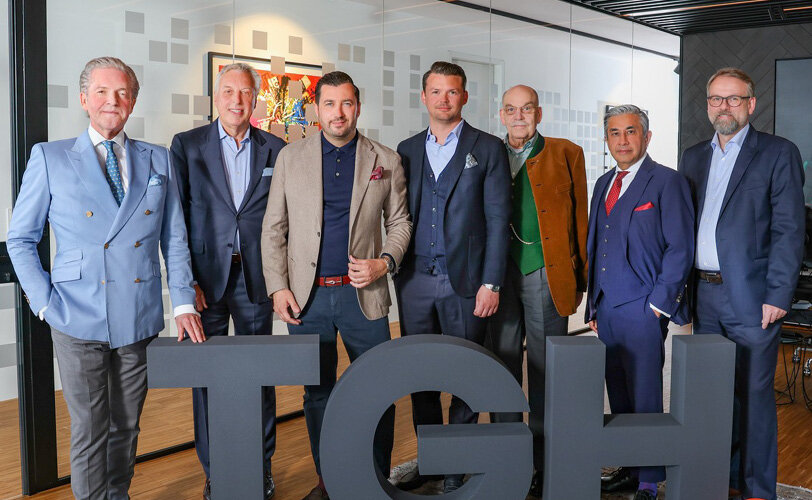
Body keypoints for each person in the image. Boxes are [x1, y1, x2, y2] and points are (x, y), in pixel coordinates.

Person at [6, 56, 203, 500]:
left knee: (126, 425)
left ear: (132, 101)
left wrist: (183, 302)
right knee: (90, 427)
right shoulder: (50, 157)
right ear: (83, 99)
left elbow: (174, 238)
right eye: (101, 92)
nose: (112, 101)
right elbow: (20, 239)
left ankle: (117, 495)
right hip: (76, 314)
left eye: (122, 93)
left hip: (138, 312)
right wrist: (44, 302)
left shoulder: (158, 158)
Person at [261, 71, 411, 500]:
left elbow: (400, 222)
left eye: (346, 103)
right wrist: (278, 287)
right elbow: (273, 228)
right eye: (329, 104)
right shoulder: (290, 157)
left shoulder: (385, 159)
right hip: (305, 299)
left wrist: (384, 263)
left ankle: (375, 480)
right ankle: (328, 481)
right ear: (317, 109)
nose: (338, 112)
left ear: (357, 107)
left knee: (378, 390)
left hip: (364, 296)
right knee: (317, 394)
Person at [679, 67, 804, 500]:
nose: (724, 107)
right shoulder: (693, 157)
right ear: (708, 105)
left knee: (753, 397)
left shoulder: (778, 152)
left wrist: (778, 294)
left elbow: (789, 229)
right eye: (716, 99)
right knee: (713, 397)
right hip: (703, 295)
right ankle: (724, 481)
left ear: (751, 104)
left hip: (753, 298)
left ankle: (756, 490)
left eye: (733, 99)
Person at [393, 61, 511, 494]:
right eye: (436, 91)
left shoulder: (488, 148)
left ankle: (457, 465)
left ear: (464, 97)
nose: (444, 99)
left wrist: (491, 283)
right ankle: (432, 460)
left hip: (467, 282)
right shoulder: (406, 149)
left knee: (465, 375)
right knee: (420, 377)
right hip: (414, 281)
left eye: (453, 91)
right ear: (424, 97)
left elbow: (498, 221)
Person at [171, 62, 286, 500]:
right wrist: (186, 284)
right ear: (216, 97)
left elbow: (284, 219)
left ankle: (262, 466)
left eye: (245, 93)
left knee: (260, 375)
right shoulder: (187, 145)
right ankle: (215, 470)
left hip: (256, 280)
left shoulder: (276, 148)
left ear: (255, 99)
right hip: (205, 282)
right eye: (229, 92)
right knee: (207, 378)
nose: (237, 100)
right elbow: (176, 221)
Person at [586, 104, 694, 500]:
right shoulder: (603, 183)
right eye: (614, 133)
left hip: (644, 306)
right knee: (618, 393)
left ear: (646, 137)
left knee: (646, 396)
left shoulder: (667, 181)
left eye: (631, 131)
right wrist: (593, 306)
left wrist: (658, 306)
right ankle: (630, 468)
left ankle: (649, 480)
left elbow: (680, 247)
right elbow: (596, 242)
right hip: (606, 307)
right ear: (607, 139)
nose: (623, 140)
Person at [485, 83, 588, 497]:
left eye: (526, 109)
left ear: (539, 114)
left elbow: (581, 221)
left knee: (546, 370)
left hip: (545, 271)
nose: (518, 116)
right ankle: (509, 460)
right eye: (511, 109)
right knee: (502, 365)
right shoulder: (488, 153)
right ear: (501, 115)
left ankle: (546, 464)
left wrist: (581, 280)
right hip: (496, 276)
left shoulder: (566, 153)